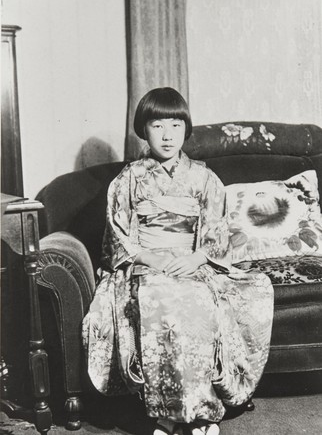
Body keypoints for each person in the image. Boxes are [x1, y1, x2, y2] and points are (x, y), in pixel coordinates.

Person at [82, 87, 274, 435]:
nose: (167, 134)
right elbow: (118, 233)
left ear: (186, 128)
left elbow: (217, 232)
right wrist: (148, 257)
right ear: (144, 130)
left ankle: (199, 412)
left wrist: (198, 257)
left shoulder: (203, 178)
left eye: (174, 124)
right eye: (157, 125)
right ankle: (168, 416)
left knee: (198, 303)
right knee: (159, 302)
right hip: (146, 263)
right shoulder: (128, 179)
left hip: (191, 261)